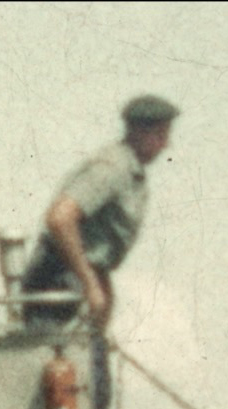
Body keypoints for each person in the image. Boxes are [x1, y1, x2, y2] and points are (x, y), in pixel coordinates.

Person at [22, 94, 179, 331]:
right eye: (160, 135)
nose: (166, 144)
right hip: (57, 282)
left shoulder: (131, 173)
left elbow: (99, 256)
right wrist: (90, 284)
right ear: (139, 132)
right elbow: (59, 219)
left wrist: (98, 291)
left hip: (74, 283)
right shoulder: (112, 168)